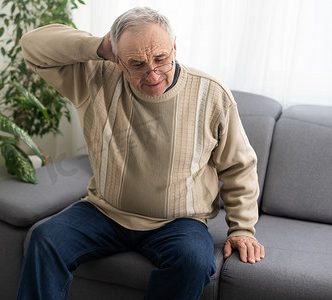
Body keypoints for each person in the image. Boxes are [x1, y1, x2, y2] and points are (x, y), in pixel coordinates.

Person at [17, 7, 265, 300]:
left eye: (161, 59)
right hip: (104, 211)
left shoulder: (211, 94)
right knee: (45, 238)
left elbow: (239, 166)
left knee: (194, 263)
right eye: (136, 63)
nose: (152, 74)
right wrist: (97, 46)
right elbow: (32, 47)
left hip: (179, 222)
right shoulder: (94, 79)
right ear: (118, 60)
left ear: (175, 47)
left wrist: (242, 229)